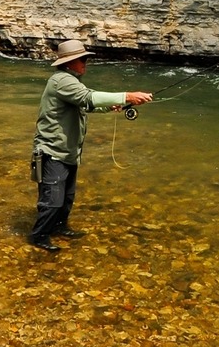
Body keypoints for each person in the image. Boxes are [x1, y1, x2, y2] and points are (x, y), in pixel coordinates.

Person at [28, 38, 153, 252]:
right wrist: (127, 95)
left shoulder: (71, 81)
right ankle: (38, 237)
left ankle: (59, 227)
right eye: (82, 59)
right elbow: (88, 97)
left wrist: (113, 106)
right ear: (69, 62)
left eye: (85, 58)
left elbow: (85, 104)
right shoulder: (62, 80)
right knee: (52, 201)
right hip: (52, 151)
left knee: (67, 198)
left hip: (68, 152)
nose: (86, 62)